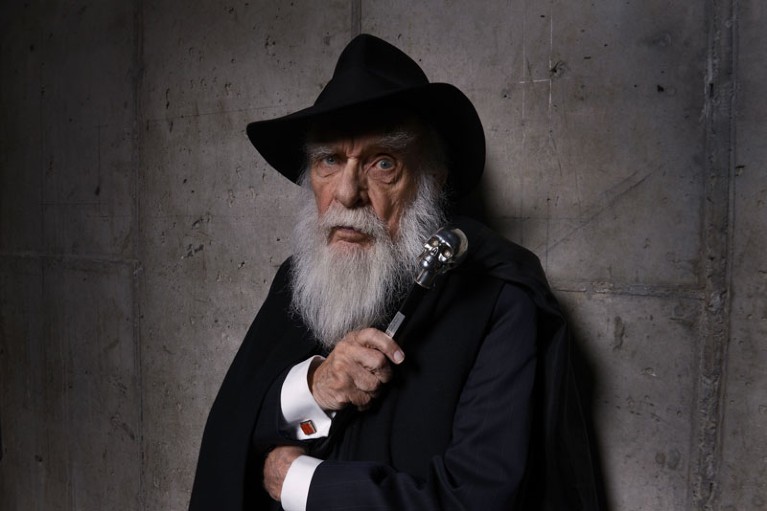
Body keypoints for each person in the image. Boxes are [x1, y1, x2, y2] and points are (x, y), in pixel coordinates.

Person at [188, 34, 603, 511]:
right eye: (329, 160)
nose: (347, 193)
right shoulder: (297, 279)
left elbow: (480, 497)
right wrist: (315, 387)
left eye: (382, 163)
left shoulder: (497, 301)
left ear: (433, 177)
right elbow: (236, 427)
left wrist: (299, 481)